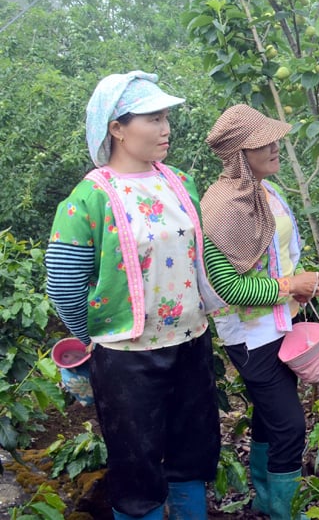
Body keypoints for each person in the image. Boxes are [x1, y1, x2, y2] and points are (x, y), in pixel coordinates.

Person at [45, 72, 220, 520]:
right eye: (153, 118)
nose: (166, 128)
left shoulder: (179, 182)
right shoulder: (89, 198)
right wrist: (94, 338)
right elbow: (63, 282)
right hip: (127, 356)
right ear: (116, 128)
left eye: (166, 117)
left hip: (190, 341)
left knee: (190, 455)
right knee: (135, 467)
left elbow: (202, 255)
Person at [200, 104, 319, 520]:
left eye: (275, 137)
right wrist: (290, 287)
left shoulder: (267, 190)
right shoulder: (222, 209)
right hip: (250, 334)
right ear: (239, 153)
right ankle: (283, 510)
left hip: (282, 321)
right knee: (290, 427)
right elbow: (227, 286)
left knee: (271, 415)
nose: (276, 146)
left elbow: (279, 256)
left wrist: (299, 285)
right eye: (263, 141)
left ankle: (265, 500)